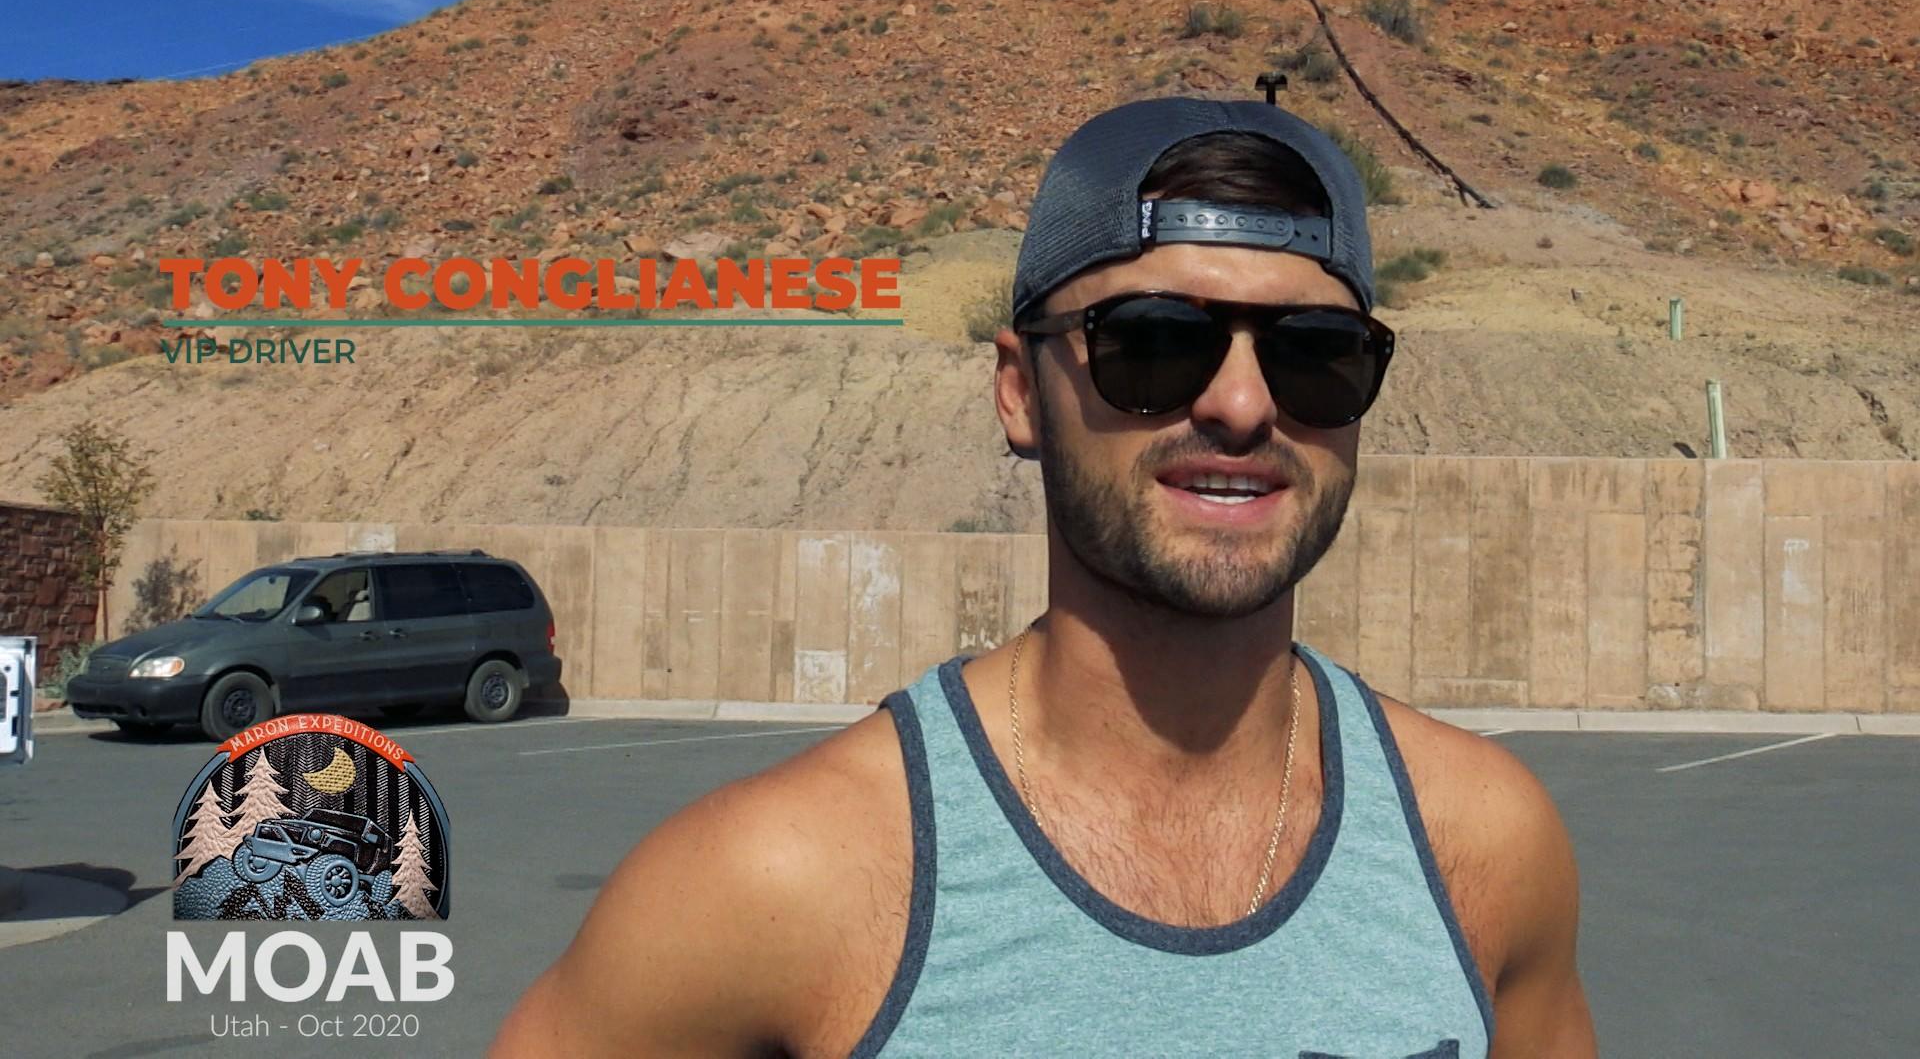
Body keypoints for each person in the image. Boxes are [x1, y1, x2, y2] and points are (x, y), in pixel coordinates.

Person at [492, 95, 1597, 1058]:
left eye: (1315, 353)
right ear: (1020, 391)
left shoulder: (1486, 842)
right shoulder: (773, 883)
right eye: (1154, 341)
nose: (1243, 404)